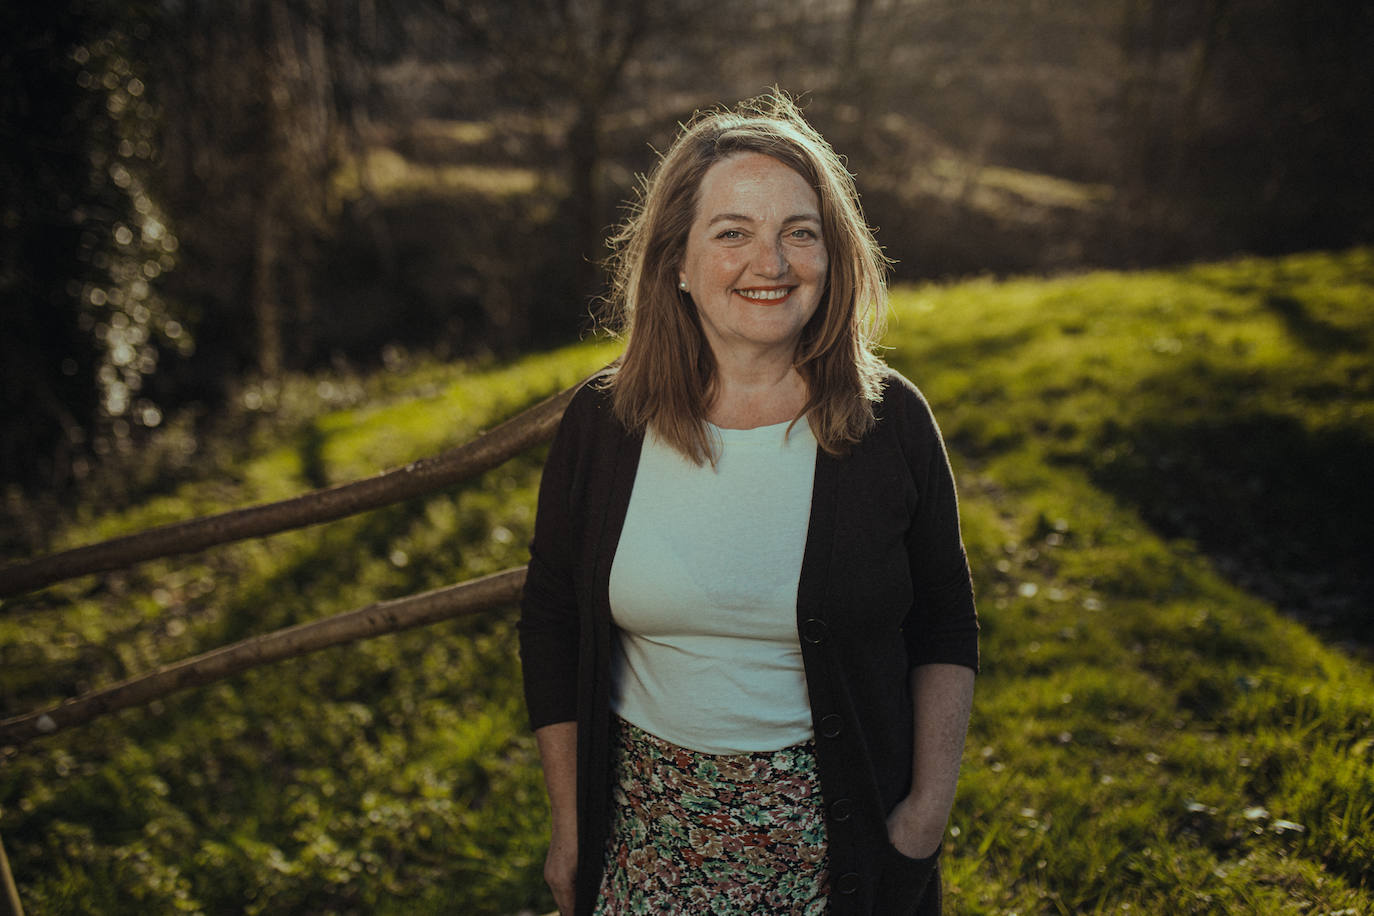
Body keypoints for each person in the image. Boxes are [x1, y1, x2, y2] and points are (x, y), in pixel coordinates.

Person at [518, 92, 979, 916]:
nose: (771, 263)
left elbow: (943, 621)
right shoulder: (604, 423)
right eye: (732, 233)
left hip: (839, 852)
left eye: (799, 232)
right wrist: (570, 827)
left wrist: (923, 818)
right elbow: (552, 621)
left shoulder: (890, 422)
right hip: (643, 845)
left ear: (833, 256)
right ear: (678, 265)